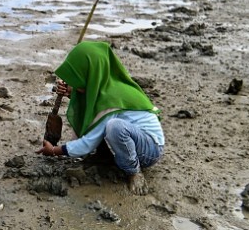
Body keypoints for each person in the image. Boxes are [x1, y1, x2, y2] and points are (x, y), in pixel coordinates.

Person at [36, 41, 165, 195]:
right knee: (105, 124)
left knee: (114, 127)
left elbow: (88, 143)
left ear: (91, 74)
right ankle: (104, 157)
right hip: (135, 140)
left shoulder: (112, 98)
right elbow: (91, 107)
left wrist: (55, 151)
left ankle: (134, 171)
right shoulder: (105, 84)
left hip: (149, 150)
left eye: (79, 77)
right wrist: (71, 92)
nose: (74, 82)